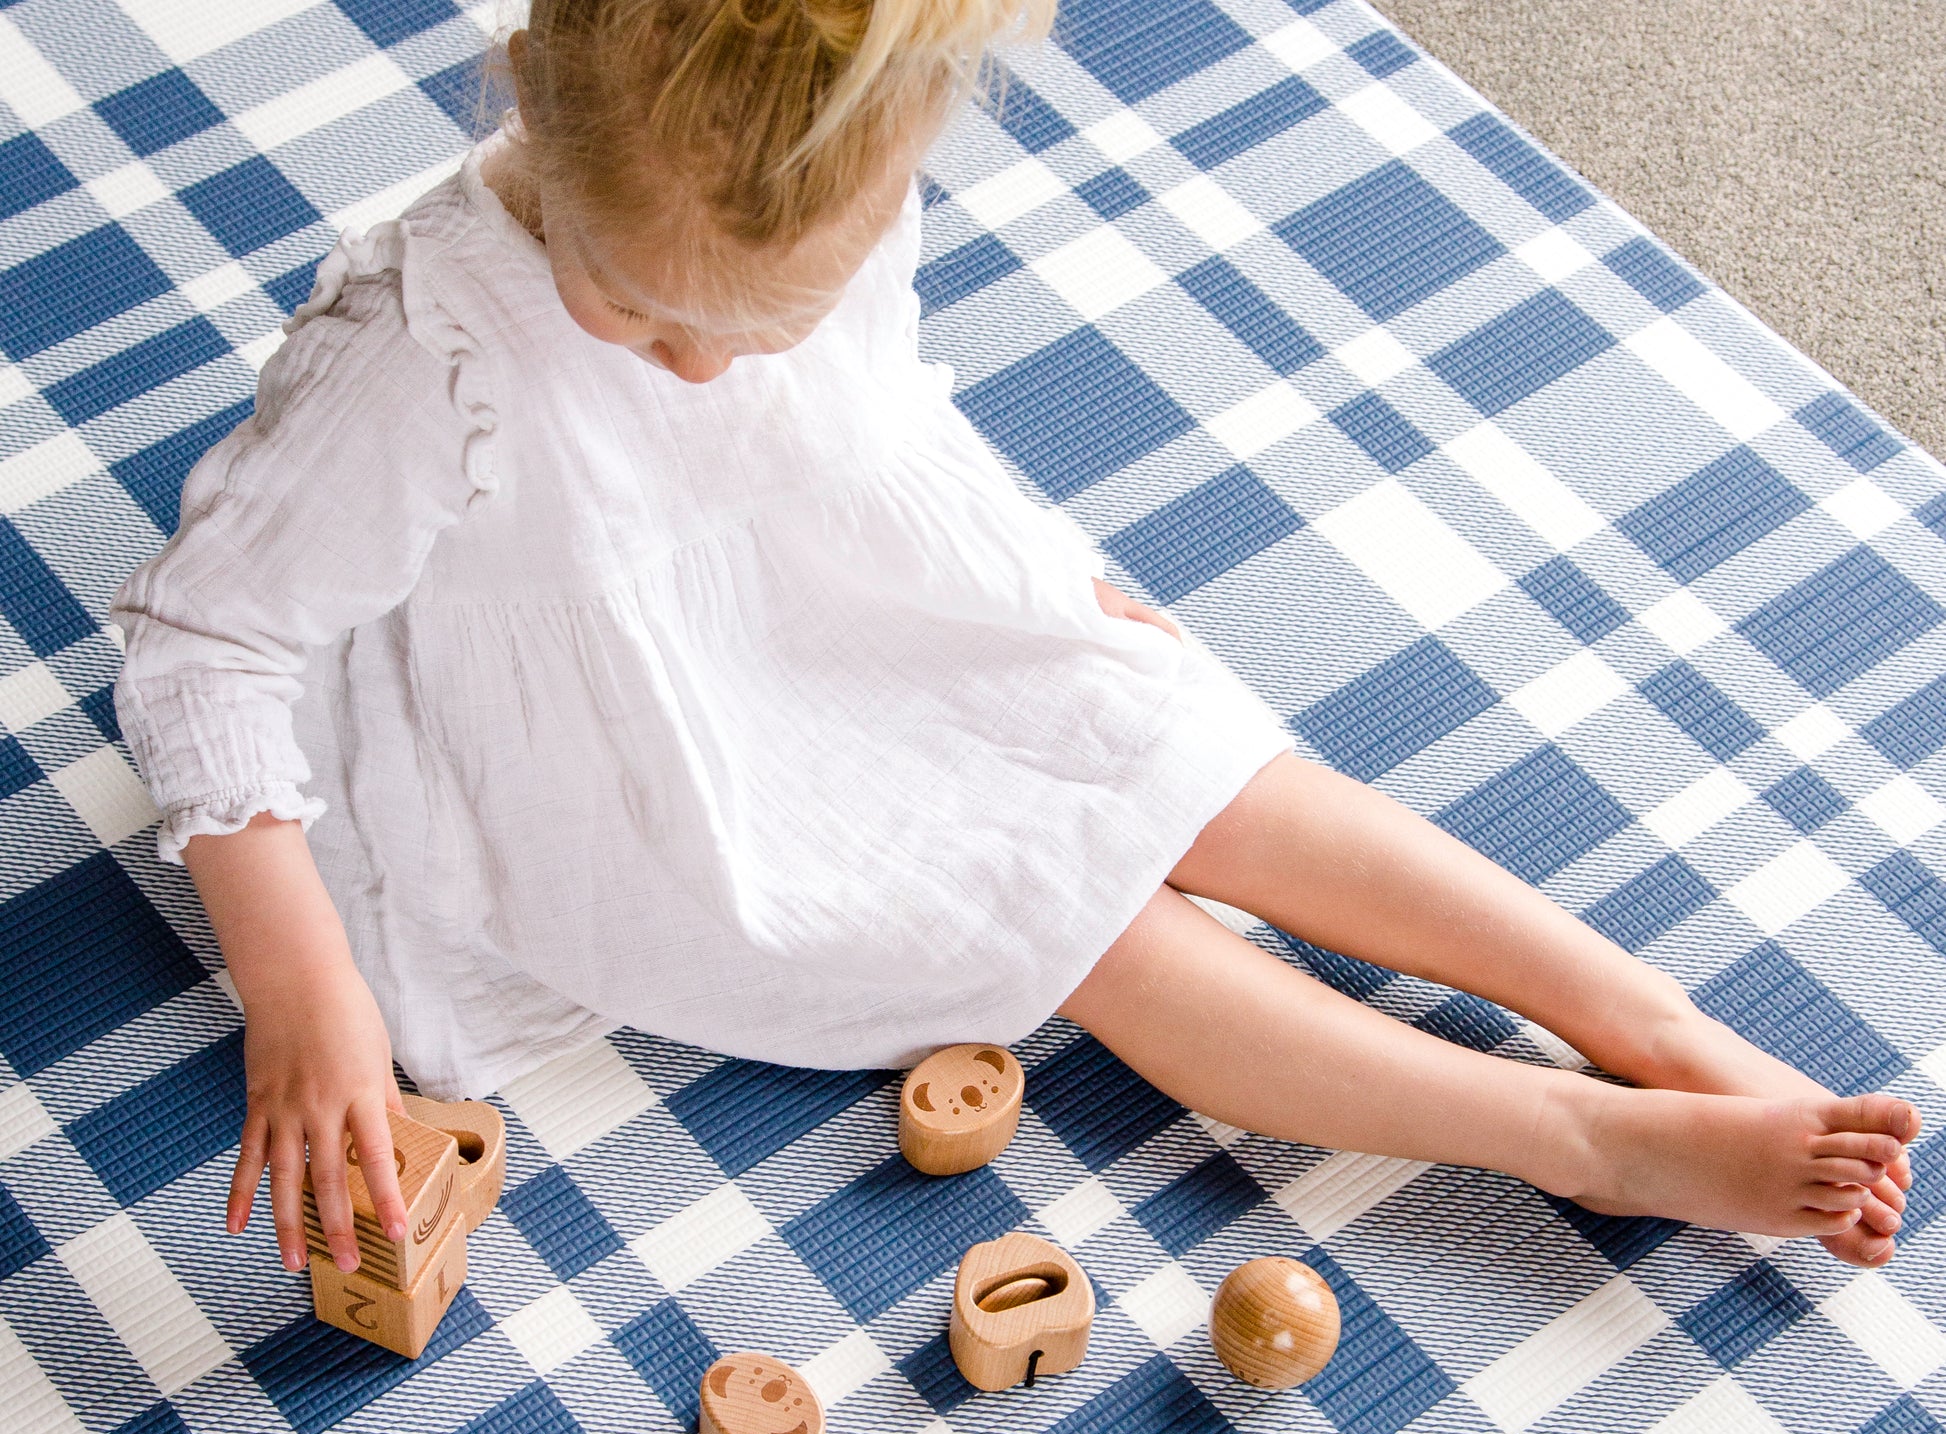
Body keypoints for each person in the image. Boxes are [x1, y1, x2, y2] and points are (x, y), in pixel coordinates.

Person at [114, 0, 1917, 1279]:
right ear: (515, 74)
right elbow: (208, 650)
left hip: (833, 580)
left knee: (1194, 759)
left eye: (755, 328)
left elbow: (880, 412)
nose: (696, 370)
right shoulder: (418, 360)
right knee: (1079, 912)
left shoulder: (838, 181)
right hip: (633, 734)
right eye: (648, 316)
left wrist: (1036, 578)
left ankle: (1638, 1015)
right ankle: (1577, 1141)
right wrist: (305, 991)